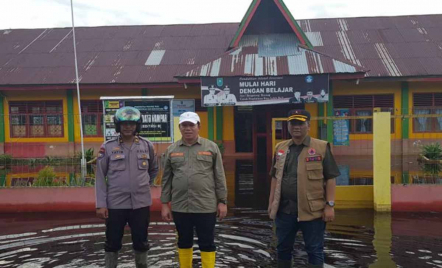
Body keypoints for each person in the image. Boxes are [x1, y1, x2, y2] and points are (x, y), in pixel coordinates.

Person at [268, 109, 340, 268]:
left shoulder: (321, 147)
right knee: (282, 249)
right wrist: (272, 202)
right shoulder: (280, 148)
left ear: (308, 125)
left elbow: (331, 178)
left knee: (314, 249)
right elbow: (275, 177)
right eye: (293, 123)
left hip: (312, 211)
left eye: (300, 123)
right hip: (284, 210)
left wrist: (330, 205)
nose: (296, 127)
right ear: (288, 126)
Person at [161, 111, 227, 268]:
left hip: (206, 205)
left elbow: (220, 176)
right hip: (180, 206)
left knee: (207, 242)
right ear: (179, 127)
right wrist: (164, 204)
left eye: (191, 125)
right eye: (184, 125)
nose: (188, 128)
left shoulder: (211, 147)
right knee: (183, 241)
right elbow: (166, 179)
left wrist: (222, 201)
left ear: (199, 126)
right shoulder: (171, 150)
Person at [95, 106, 159, 268]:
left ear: (138, 125)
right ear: (118, 125)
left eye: (132, 123)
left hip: (141, 203)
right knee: (112, 242)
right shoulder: (107, 147)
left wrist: (143, 184)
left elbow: (153, 170)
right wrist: (101, 204)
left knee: (141, 241)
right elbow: (101, 177)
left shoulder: (147, 146)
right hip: (115, 204)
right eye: (124, 124)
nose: (128, 127)